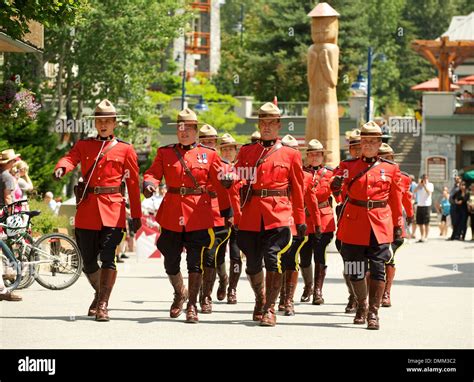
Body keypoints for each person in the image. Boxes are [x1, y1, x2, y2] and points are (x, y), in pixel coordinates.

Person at [53, 99, 142, 322]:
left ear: (114, 123)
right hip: (88, 209)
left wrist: (137, 215)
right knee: (88, 259)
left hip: (113, 208)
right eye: (100, 120)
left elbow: (132, 184)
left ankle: (103, 303)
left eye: (107, 121)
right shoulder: (84, 145)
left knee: (108, 256)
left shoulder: (125, 149)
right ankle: (99, 293)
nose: (103, 124)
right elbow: (70, 158)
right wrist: (62, 168)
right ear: (96, 123)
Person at [143, 108, 232, 324]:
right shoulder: (165, 153)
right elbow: (154, 173)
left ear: (195, 130)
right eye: (180, 128)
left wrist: (226, 208)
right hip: (172, 213)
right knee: (170, 260)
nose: (183, 132)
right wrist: (149, 183)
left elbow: (221, 181)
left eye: (188, 128)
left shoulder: (209, 154)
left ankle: (192, 304)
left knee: (196, 262)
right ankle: (179, 292)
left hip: (198, 215)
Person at [233, 102, 305, 327]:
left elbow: (298, 188)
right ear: (258, 124)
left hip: (278, 213)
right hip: (252, 214)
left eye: (271, 122)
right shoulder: (247, 151)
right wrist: (230, 179)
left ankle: (270, 309)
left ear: (278, 125)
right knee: (253, 263)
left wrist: (301, 220)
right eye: (263, 122)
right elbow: (238, 176)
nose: (266, 126)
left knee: (273, 259)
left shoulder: (291, 154)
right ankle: (260, 299)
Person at [331, 121, 403, 330]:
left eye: (373, 141)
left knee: (378, 268)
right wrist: (334, 184)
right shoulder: (348, 166)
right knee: (355, 270)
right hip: (354, 223)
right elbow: (336, 183)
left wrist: (398, 225)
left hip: (380, 224)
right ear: (360, 143)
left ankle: (373, 312)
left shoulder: (391, 169)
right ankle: (361, 304)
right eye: (365, 141)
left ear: (380, 143)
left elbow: (396, 200)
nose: (369, 145)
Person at [278, 134, 321, 316]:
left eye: (294, 149)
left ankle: (288, 300)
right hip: (276, 222)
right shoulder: (274, 170)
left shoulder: (307, 176)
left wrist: (317, 225)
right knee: (275, 262)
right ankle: (277, 297)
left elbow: (312, 202)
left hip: (295, 225)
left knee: (291, 260)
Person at [196, 124, 232, 313]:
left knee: (213, 255)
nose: (208, 145)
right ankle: (204, 294)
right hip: (199, 214)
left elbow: (231, 192)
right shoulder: (193, 161)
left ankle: (212, 290)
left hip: (219, 216)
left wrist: (232, 214)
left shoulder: (224, 165)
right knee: (202, 256)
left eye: (211, 142)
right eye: (204, 141)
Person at [377, 143, 414, 308]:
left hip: (395, 224)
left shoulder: (403, 177)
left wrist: (410, 215)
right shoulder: (372, 173)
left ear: (392, 158)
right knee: (376, 258)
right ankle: (374, 291)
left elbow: (406, 199)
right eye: (382, 156)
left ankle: (386, 293)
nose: (385, 159)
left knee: (388, 257)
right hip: (377, 222)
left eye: (388, 157)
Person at [299, 139, 334, 307]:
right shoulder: (301, 172)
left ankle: (318, 291)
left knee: (320, 254)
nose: (314, 157)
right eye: (311, 154)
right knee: (304, 256)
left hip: (324, 217)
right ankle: (308, 286)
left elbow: (338, 195)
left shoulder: (329, 174)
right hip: (305, 218)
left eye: (318, 154)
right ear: (307, 156)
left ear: (322, 156)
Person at [217, 133, 243, 304]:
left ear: (236, 150)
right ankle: (223, 278)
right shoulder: (216, 167)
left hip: (239, 216)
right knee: (218, 254)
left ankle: (233, 288)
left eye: (230, 149)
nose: (227, 152)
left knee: (235, 254)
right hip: (220, 215)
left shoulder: (243, 169)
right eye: (224, 149)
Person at [414, 174, 434, 242]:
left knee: (426, 222)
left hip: (426, 205)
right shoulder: (419, 185)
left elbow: (429, 193)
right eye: (423, 178)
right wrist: (419, 185)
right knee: (420, 222)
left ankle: (426, 236)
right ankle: (422, 236)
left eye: (425, 178)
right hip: (420, 205)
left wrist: (425, 185)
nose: (424, 179)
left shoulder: (430, 184)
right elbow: (414, 191)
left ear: (427, 178)